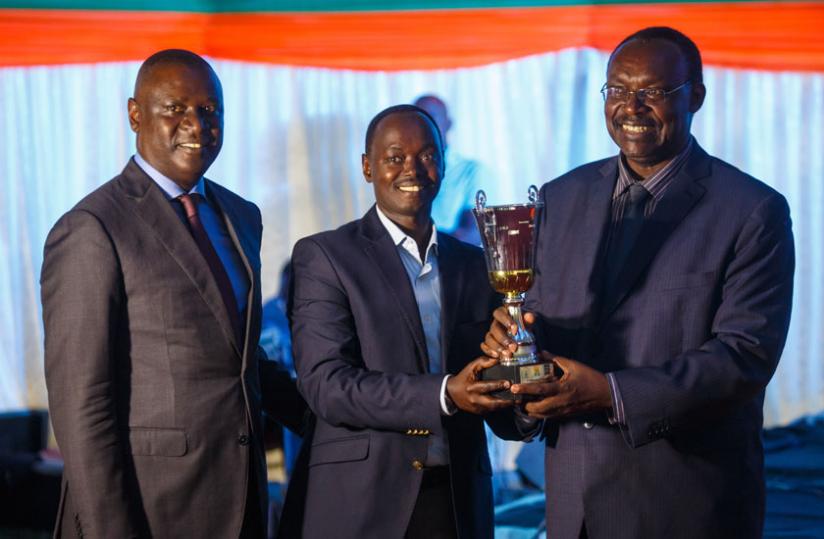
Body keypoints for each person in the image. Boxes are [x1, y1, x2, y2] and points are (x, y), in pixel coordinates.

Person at [483, 27, 794, 538]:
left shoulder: (751, 210)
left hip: (683, 507)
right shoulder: (559, 198)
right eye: (618, 90)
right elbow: (539, 325)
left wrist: (610, 395)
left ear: (695, 95)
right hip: (571, 507)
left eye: (653, 91)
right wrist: (513, 351)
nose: (632, 106)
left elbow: (743, 357)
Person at [41, 49, 306, 538]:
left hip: (241, 502)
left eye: (209, 110)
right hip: (146, 510)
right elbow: (83, 404)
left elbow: (240, 361)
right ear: (135, 114)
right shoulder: (92, 227)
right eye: (176, 109)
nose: (196, 124)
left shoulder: (240, 216)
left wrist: (343, 419)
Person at [283, 104, 526, 538]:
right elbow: (326, 385)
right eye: (395, 156)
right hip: (362, 501)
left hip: (458, 500)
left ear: (444, 163)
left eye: (427, 155)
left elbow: (490, 383)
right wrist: (444, 394)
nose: (412, 168)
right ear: (367, 166)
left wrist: (526, 386)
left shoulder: (476, 265)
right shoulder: (326, 256)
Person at [414, 95, 492, 233]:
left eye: (431, 117)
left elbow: (474, 232)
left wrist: (429, 250)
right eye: (417, 120)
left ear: (449, 123)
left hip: (449, 253)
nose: (423, 125)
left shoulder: (471, 171)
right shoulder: (403, 171)